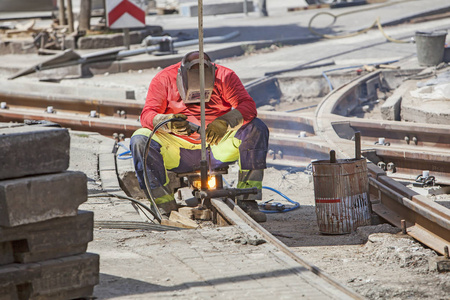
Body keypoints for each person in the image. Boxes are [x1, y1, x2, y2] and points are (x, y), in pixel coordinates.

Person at [130, 51, 269, 222]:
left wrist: (225, 122)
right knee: (140, 140)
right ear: (181, 78)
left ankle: (248, 199)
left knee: (256, 128)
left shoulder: (225, 77)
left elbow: (247, 106)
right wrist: (166, 122)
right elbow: (147, 115)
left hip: (216, 147)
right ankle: (162, 204)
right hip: (178, 150)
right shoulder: (164, 79)